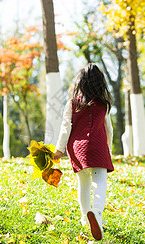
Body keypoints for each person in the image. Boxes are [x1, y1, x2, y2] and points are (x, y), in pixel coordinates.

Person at [53, 63, 114, 241]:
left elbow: (65, 128)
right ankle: (97, 214)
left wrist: (59, 149)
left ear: (81, 83)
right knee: (100, 183)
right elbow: (108, 129)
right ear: (100, 83)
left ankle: (85, 219)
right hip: (98, 148)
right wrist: (107, 149)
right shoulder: (104, 105)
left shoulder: (72, 103)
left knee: (83, 184)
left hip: (77, 149)